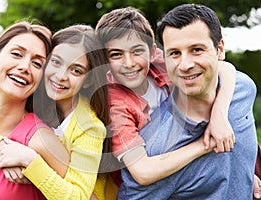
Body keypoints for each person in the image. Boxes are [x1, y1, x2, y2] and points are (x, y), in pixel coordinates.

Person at [116, 4, 258, 199]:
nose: (185, 65)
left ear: (220, 50)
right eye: (174, 53)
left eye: (197, 50)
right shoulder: (157, 149)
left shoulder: (241, 89)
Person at [0, 24, 109, 199]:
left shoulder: (89, 128)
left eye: (76, 70)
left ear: (87, 80)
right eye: (55, 62)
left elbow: (82, 196)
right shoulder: (18, 98)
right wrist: (1, 148)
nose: (61, 75)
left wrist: (30, 161)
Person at [95, 6, 235, 190]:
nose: (128, 63)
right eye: (116, 54)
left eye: (137, 51)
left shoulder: (162, 62)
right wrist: (205, 145)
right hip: (154, 180)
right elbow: (142, 172)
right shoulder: (116, 104)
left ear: (152, 51)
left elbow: (224, 68)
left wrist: (219, 115)